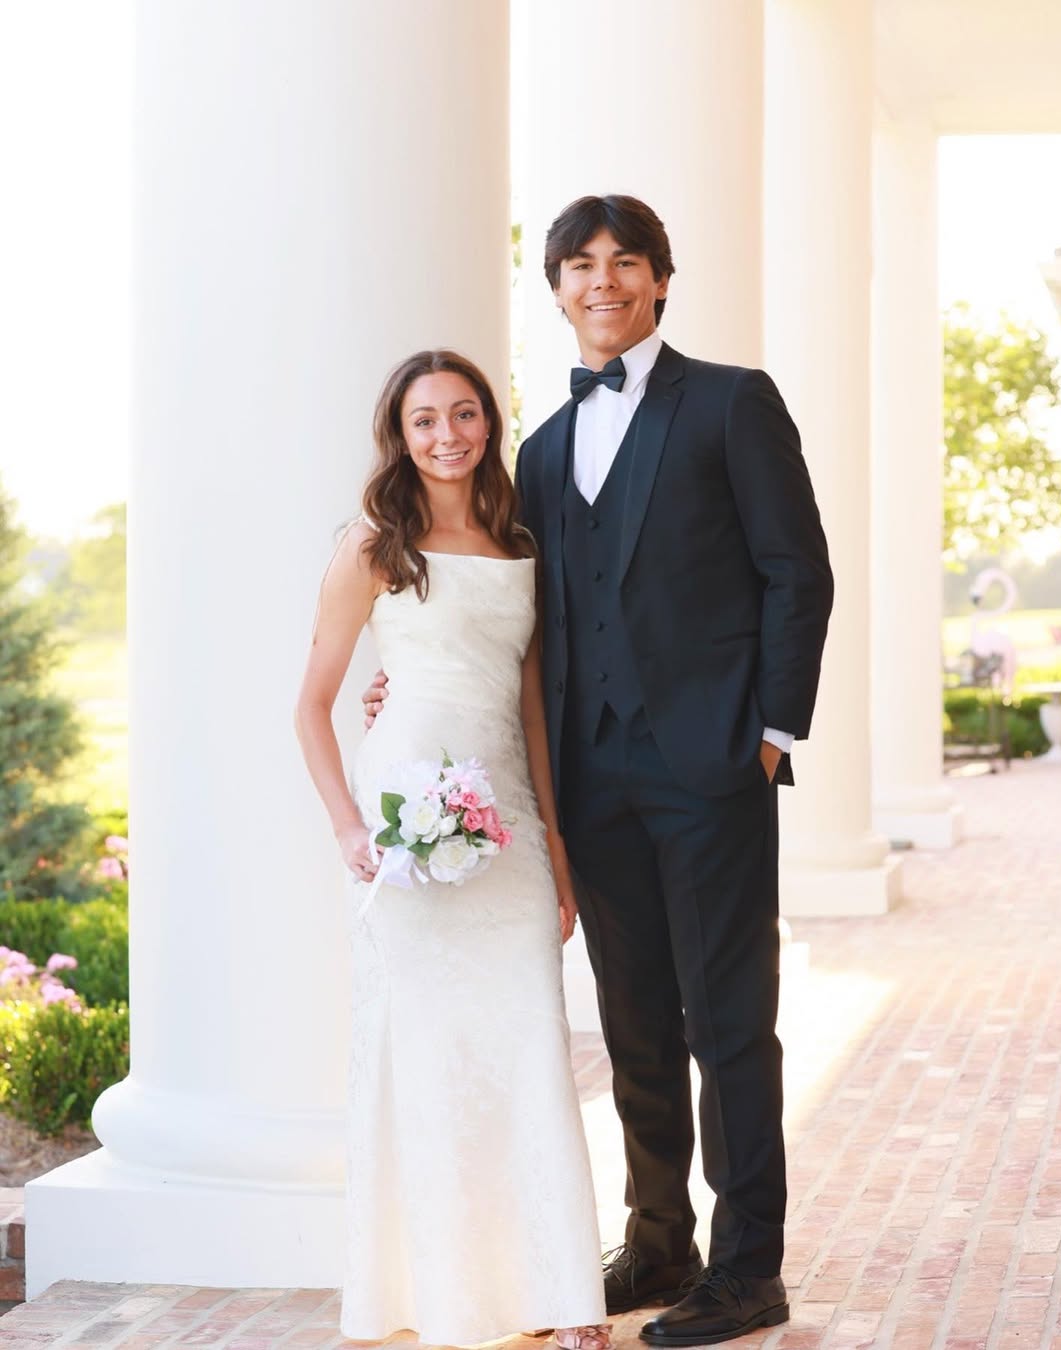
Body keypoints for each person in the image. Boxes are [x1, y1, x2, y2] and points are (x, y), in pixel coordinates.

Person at [365, 195, 834, 1345]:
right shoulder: (538, 451)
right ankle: (660, 1241)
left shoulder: (731, 401)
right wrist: (414, 674)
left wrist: (773, 733)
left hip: (712, 767)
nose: (604, 281)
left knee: (730, 1023)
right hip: (589, 777)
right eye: (581, 264)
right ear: (558, 289)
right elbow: (530, 615)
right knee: (633, 1025)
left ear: (661, 280)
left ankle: (749, 1269)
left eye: (626, 262)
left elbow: (798, 571)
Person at [295, 349, 612, 1350]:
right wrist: (350, 826)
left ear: (489, 422)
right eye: (425, 419)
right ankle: (440, 1299)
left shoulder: (521, 539)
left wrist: (554, 847)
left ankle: (563, 1297)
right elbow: (311, 704)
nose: (447, 435)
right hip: (404, 817)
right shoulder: (372, 546)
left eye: (464, 413)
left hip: (506, 813)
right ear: (399, 434)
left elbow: (530, 705)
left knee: (529, 1045)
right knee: (425, 1055)